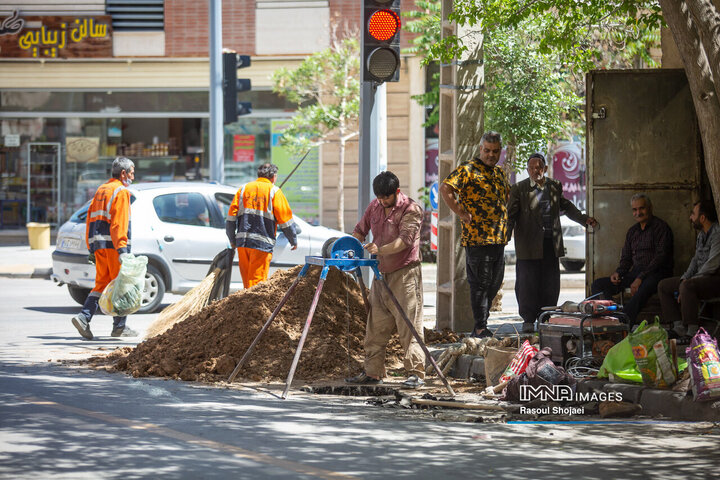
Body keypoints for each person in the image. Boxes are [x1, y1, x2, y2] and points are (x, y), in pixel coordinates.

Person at [345, 171, 426, 388]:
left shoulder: (411, 209)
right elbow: (360, 231)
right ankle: (372, 373)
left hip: (405, 274)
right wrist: (350, 246)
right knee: (375, 326)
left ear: (396, 192)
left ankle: (416, 373)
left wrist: (379, 249)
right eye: (379, 198)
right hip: (380, 275)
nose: (382, 202)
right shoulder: (375, 206)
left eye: (386, 198)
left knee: (409, 325)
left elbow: (405, 242)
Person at [507, 153, 598, 333]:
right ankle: (528, 319)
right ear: (527, 169)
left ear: (545, 169)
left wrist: (584, 219)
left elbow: (567, 206)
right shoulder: (519, 189)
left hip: (550, 243)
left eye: (539, 167)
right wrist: (505, 235)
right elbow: (511, 215)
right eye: (532, 168)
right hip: (528, 245)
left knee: (550, 283)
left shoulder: (554, 186)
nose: (535, 171)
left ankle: (545, 316)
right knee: (527, 283)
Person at [439, 131, 510, 338]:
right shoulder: (468, 169)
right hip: (478, 239)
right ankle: (480, 327)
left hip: (498, 239)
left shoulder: (499, 173)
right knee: (480, 284)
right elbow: (445, 188)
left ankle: (481, 324)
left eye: (495, 151)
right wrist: (461, 212)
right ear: (480, 149)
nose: (491, 155)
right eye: (487, 150)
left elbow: (506, 195)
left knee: (495, 283)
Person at [71, 157, 138, 340]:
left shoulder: (101, 190)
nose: (133, 176)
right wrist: (122, 250)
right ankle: (120, 327)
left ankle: (83, 318)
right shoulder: (121, 192)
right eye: (132, 172)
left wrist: (91, 247)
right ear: (123, 173)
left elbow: (90, 220)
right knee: (122, 285)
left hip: (99, 246)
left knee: (102, 284)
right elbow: (119, 224)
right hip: (114, 247)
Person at [591, 193, 673, 326]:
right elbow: (626, 258)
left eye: (642, 208)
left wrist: (640, 277)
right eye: (634, 210)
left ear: (650, 208)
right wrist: (618, 273)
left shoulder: (661, 228)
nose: (638, 213)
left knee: (643, 289)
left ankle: (623, 322)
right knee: (598, 285)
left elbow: (661, 258)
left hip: (657, 273)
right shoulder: (632, 232)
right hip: (636, 273)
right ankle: (610, 317)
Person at [225, 163, 297, 288]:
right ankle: (251, 307)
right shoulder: (274, 191)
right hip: (261, 245)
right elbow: (286, 220)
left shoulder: (243, 189)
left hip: (242, 244)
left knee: (247, 284)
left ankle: (245, 306)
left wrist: (232, 239)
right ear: (274, 177)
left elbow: (231, 218)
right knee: (257, 285)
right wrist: (293, 239)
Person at [658, 199, 720, 342]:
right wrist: (684, 278)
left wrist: (689, 282)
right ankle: (678, 326)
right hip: (699, 279)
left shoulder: (717, 234)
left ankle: (692, 332)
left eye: (693, 214)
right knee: (664, 285)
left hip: (714, 279)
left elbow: (712, 264)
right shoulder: (701, 235)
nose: (691, 217)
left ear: (702, 218)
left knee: (687, 286)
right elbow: (695, 260)